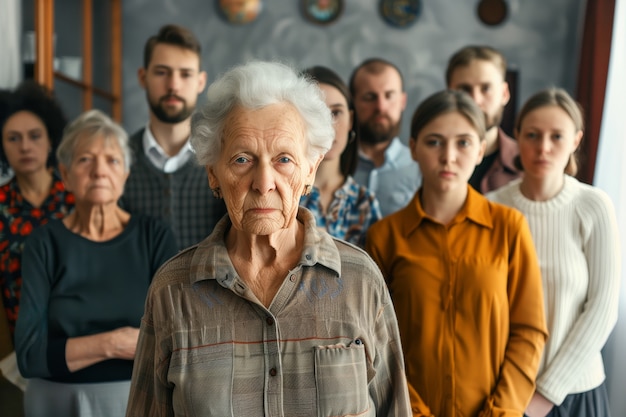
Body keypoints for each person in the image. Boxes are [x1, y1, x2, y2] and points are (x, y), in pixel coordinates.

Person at [125, 61, 412, 417]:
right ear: (213, 173)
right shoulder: (173, 290)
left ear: (310, 168)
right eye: (242, 159)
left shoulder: (360, 280)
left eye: (284, 160)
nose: (264, 182)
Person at [366, 90, 548, 416]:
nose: (448, 156)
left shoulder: (509, 228)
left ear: (480, 150)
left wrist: (501, 411)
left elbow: (529, 331)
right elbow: (377, 343)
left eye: (463, 143)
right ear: (413, 148)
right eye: (434, 142)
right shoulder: (385, 237)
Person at [15, 110, 178, 417]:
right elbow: (29, 356)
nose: (99, 171)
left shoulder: (154, 237)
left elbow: (171, 343)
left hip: (139, 399)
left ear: (125, 175)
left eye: (112, 160)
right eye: (85, 159)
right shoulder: (44, 243)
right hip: (55, 403)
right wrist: (116, 343)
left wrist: (68, 349)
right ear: (65, 175)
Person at [487, 88, 621, 417]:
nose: (543, 148)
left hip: (577, 392)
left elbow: (602, 310)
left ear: (576, 140)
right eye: (532, 135)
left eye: (556, 137)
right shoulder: (491, 207)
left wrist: (546, 393)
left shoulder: (593, 206)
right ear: (517, 136)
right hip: (506, 392)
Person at [0, 81, 74, 417]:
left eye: (34, 135)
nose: (25, 146)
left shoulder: (79, 198)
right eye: (13, 138)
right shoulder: (0, 206)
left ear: (51, 139)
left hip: (81, 345)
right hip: (18, 353)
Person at [120, 24, 227, 250]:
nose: (173, 85)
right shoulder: (117, 160)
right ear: (142, 77)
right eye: (161, 72)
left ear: (200, 82)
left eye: (185, 74)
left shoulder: (222, 158)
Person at [299, 66, 382, 248]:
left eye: (335, 113)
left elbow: (375, 275)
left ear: (351, 120)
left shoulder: (364, 203)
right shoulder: (281, 193)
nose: (327, 127)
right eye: (315, 114)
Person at [349, 58, 421, 216]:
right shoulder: (335, 166)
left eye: (389, 96)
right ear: (352, 102)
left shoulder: (421, 168)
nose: (381, 107)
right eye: (369, 97)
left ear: (402, 101)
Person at [446, 45, 521, 193]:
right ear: (449, 95)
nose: (475, 100)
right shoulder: (426, 161)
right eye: (464, 89)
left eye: (486, 88)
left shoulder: (527, 164)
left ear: (504, 94)